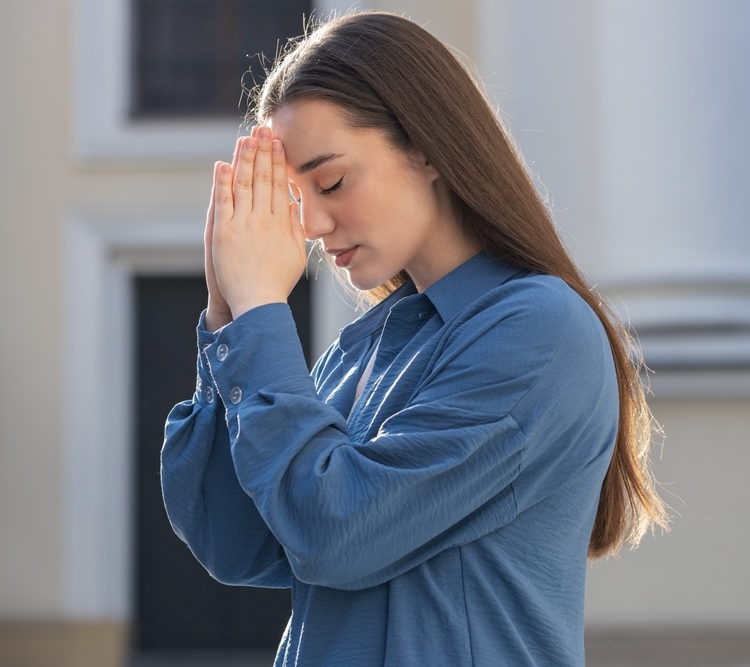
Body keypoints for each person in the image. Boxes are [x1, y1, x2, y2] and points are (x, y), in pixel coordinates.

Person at [160, 10, 668, 666]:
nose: (311, 223)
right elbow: (235, 543)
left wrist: (262, 313)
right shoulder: (365, 348)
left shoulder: (539, 330)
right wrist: (229, 313)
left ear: (424, 146)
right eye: (294, 197)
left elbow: (337, 531)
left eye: (333, 180)